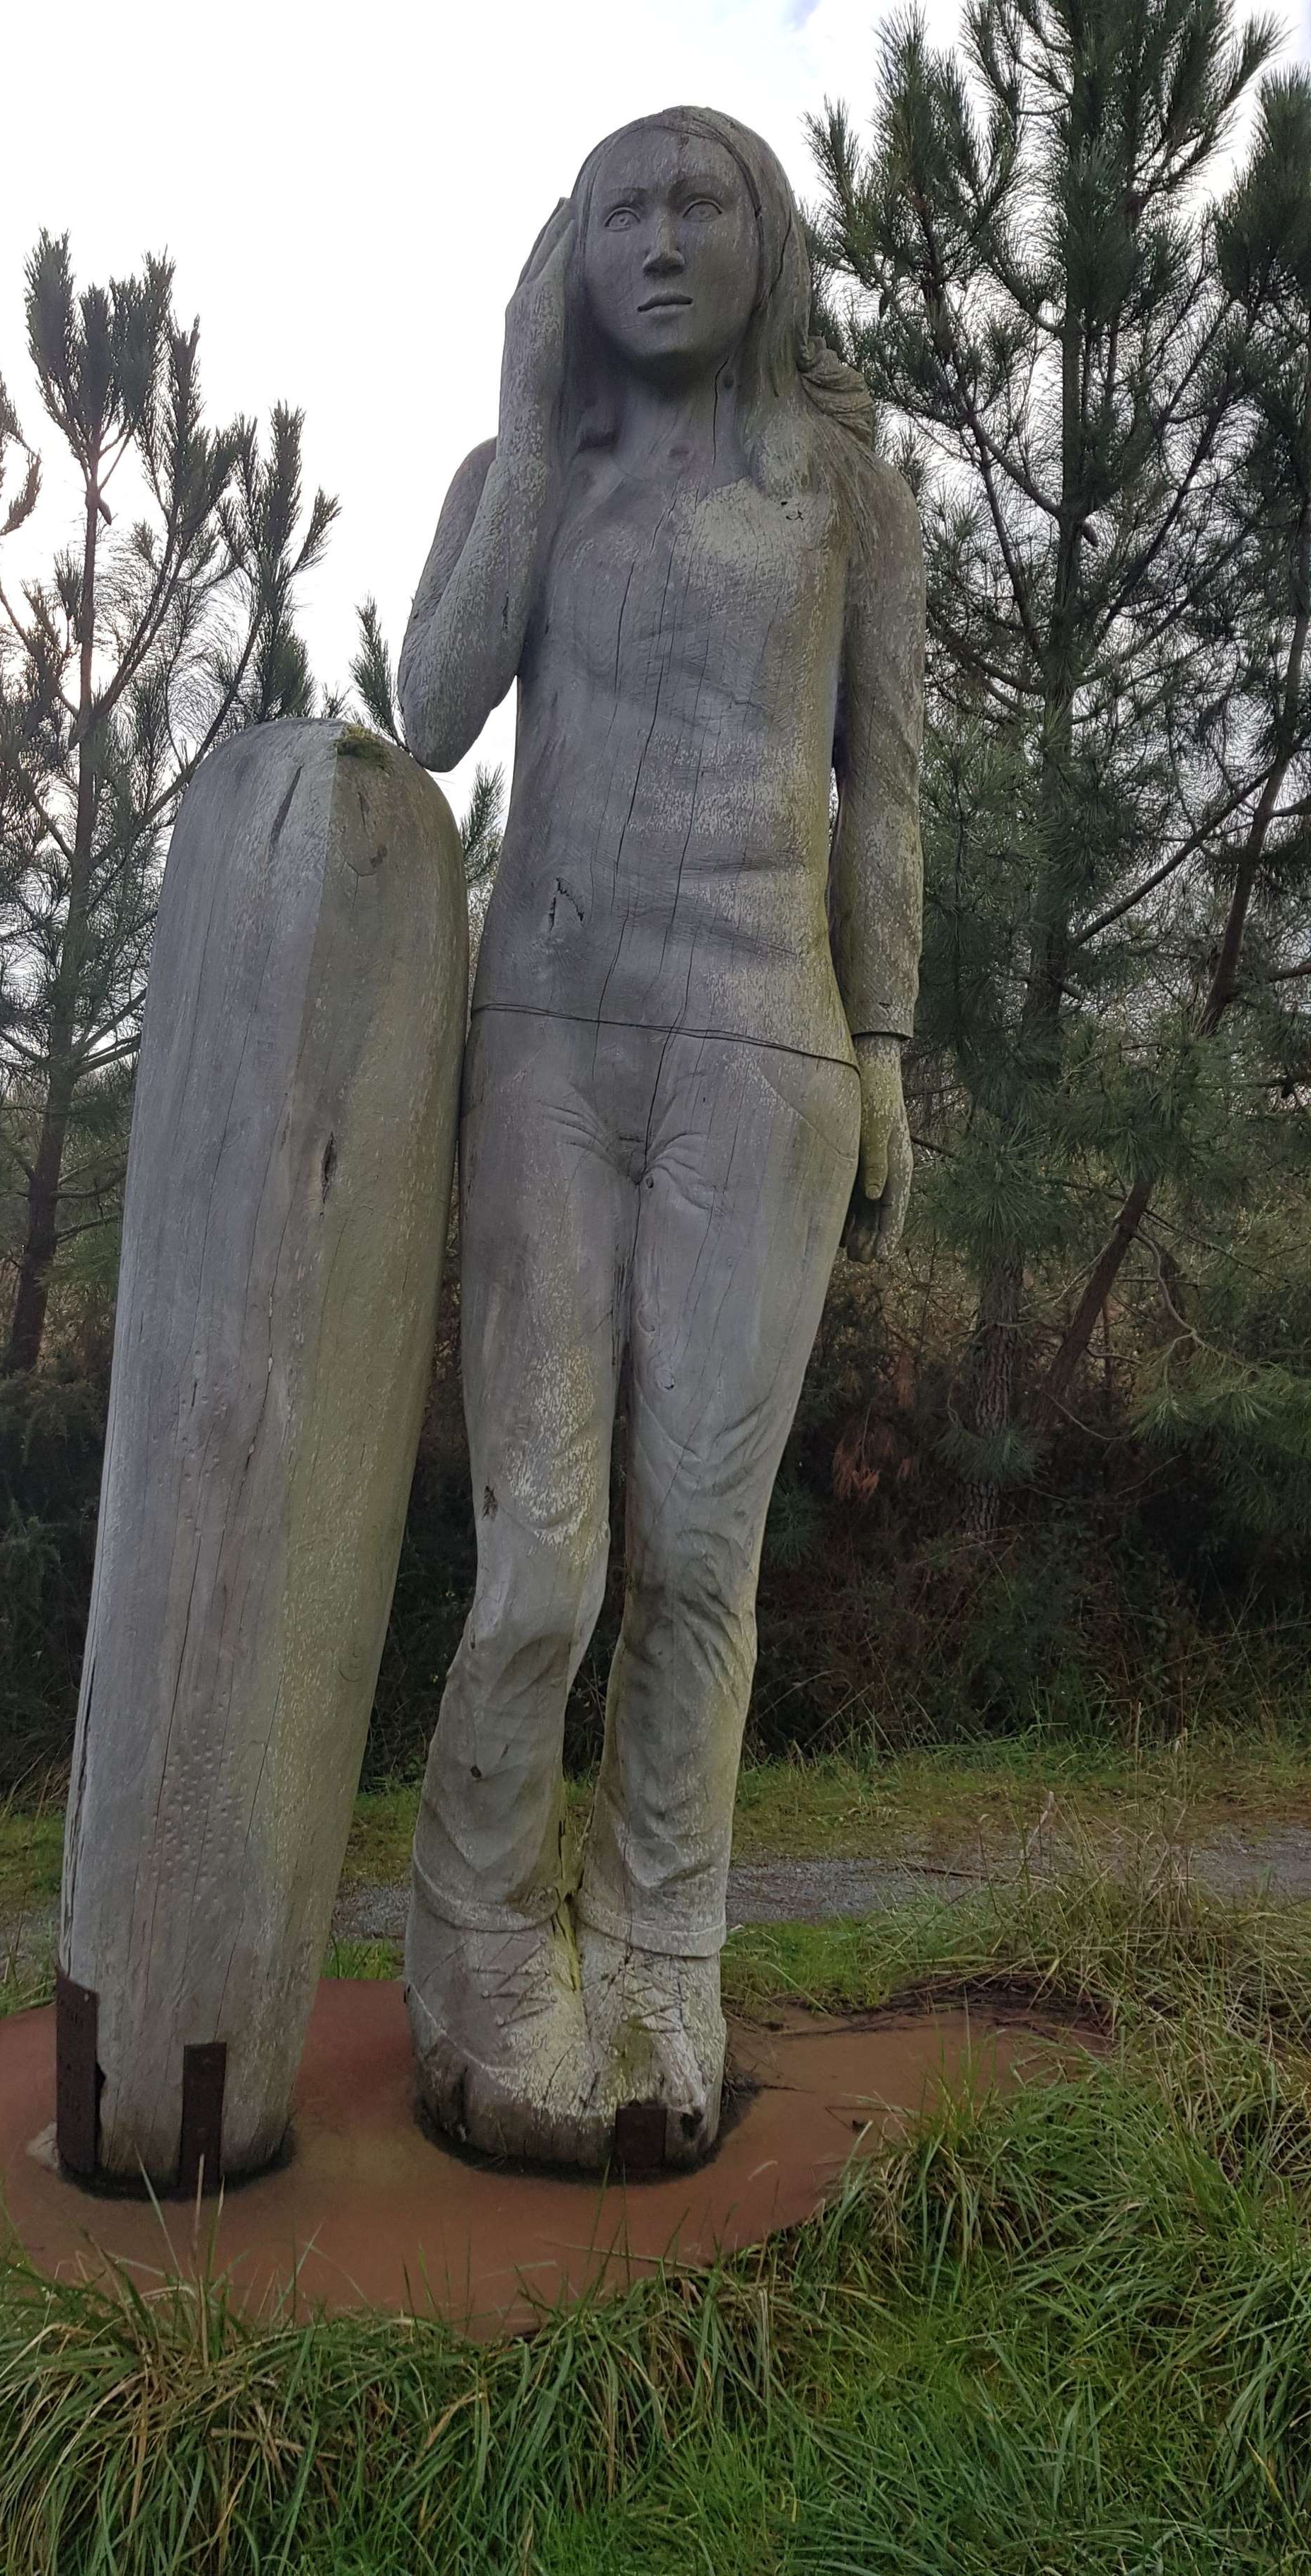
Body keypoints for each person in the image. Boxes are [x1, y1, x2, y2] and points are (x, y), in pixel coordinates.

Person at [398, 105, 924, 2167]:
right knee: (542, 1555)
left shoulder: (851, 499)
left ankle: (659, 1949)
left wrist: (886, 1041)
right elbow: (432, 710)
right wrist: (527, 438)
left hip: (767, 1051)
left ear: (768, 237)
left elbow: (888, 794)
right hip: (548, 1039)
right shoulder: (526, 477)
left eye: (703, 205)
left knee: (700, 1555)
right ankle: (472, 1944)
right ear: (573, 258)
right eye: (622, 211)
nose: (664, 242)